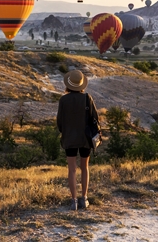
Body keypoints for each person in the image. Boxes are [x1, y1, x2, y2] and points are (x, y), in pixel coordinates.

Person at [56, 69, 99, 211]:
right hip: (85, 138)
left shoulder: (63, 100)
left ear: (68, 84)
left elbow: (60, 121)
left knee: (72, 169)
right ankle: (84, 198)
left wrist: (66, 132)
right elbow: (95, 119)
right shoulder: (88, 98)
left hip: (69, 138)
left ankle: (73, 201)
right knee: (84, 167)